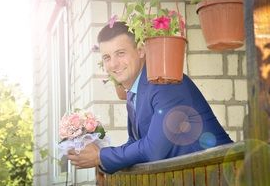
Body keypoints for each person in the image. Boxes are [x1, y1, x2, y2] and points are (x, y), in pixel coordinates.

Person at [67, 21, 233, 174]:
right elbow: (135, 142)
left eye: (120, 53)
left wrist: (101, 156)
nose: (113, 64)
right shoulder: (134, 92)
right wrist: (100, 155)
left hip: (220, 173)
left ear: (140, 50)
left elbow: (154, 149)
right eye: (107, 57)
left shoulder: (165, 82)